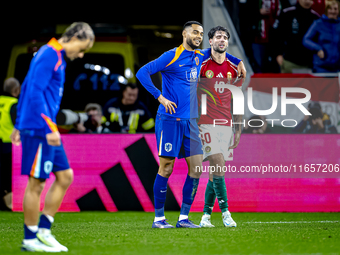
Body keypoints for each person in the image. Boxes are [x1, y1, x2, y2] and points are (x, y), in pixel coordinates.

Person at [136, 21, 247, 229]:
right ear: (184, 33)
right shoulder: (172, 56)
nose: (199, 36)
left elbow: (217, 50)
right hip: (169, 120)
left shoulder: (199, 56)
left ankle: (183, 218)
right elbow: (142, 73)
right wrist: (159, 97)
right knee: (166, 168)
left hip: (192, 122)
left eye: (202, 33)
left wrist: (237, 60)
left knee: (196, 169)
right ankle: (159, 219)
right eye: (195, 32)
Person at [11, 22, 94, 252]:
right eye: (82, 48)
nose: (81, 54)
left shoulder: (52, 54)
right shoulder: (50, 54)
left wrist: (18, 123)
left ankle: (44, 231)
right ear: (75, 36)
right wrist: (50, 128)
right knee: (36, 183)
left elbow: (27, 85)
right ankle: (30, 239)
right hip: (40, 128)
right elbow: (34, 91)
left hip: (40, 126)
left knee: (65, 176)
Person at [196, 26, 242, 228]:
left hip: (226, 124)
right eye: (218, 37)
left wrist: (238, 127)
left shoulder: (234, 68)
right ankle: (226, 213)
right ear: (211, 41)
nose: (222, 40)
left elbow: (237, 98)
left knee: (215, 173)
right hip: (204, 123)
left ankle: (205, 216)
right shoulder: (201, 64)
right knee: (218, 164)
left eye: (225, 37)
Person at [273, 0, 320, 73]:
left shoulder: (316, 17)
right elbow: (277, 35)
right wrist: (278, 54)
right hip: (289, 61)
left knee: (306, 84)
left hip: (309, 63)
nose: (306, 1)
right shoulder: (287, 13)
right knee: (287, 84)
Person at [303, 0, 340, 73]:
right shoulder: (318, 23)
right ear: (326, 10)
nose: (333, 11)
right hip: (321, 67)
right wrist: (318, 49)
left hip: (337, 68)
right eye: (330, 9)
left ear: (338, 11)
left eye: (335, 9)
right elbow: (306, 40)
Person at [0, 78, 20, 210]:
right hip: (9, 145)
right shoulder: (14, 104)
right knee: (9, 176)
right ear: (15, 90)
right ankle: (9, 204)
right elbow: (19, 123)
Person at [248, 0, 281, 73]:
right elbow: (246, 13)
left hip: (275, 38)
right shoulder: (255, 2)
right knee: (259, 65)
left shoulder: (277, 2)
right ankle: (260, 83)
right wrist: (258, 12)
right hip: (258, 38)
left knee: (273, 66)